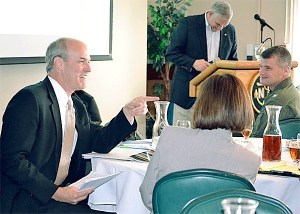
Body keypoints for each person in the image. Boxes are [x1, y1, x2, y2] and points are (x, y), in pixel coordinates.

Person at [0, 37, 159, 213]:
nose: (89, 69)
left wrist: (127, 113)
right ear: (59, 63)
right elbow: (12, 160)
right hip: (27, 199)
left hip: (62, 195)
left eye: (89, 62)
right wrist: (57, 193)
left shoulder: (77, 104)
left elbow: (98, 142)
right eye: (82, 61)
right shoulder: (30, 99)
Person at [139, 74, 261, 212]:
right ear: (243, 108)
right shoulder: (250, 160)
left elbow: (148, 196)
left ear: (201, 103)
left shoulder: (170, 136)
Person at [165, 1, 238, 124]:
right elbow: (171, 53)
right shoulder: (188, 24)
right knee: (182, 137)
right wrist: (193, 63)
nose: (219, 29)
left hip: (215, 98)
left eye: (223, 26)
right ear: (210, 14)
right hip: (186, 95)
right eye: (217, 24)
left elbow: (233, 60)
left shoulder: (230, 30)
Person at [251, 46, 300, 137]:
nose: (261, 72)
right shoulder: (293, 93)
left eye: (268, 68)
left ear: (285, 71)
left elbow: (256, 138)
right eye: (260, 67)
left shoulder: (276, 102)